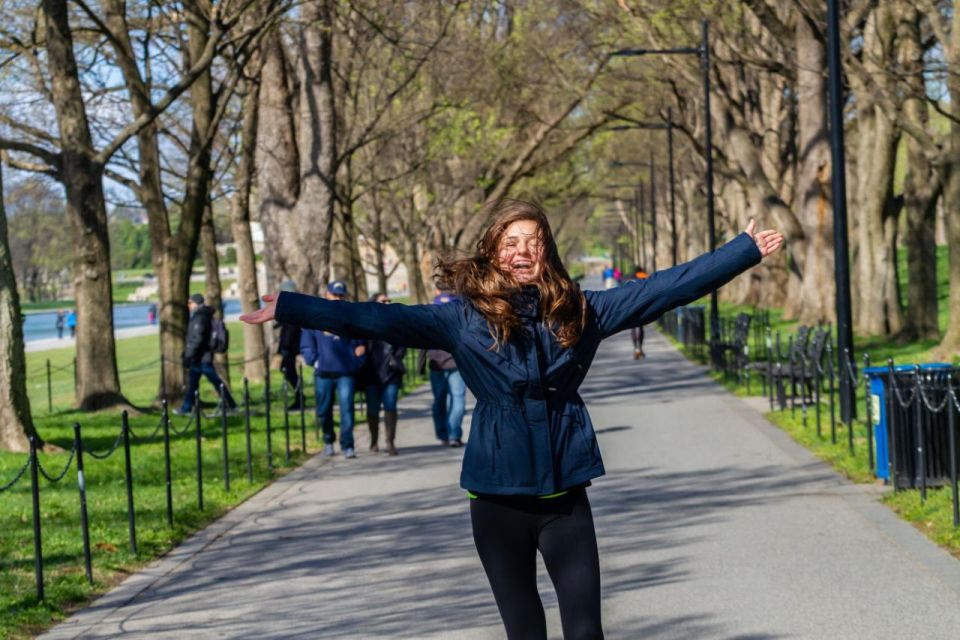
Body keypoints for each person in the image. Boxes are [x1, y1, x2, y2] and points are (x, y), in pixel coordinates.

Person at [240, 199, 783, 639]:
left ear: (546, 251)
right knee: (525, 631)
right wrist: (290, 307)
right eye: (512, 241)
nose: (524, 250)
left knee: (586, 631)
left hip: (565, 496)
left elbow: (663, 289)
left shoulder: (581, 310)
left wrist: (741, 252)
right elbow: (378, 319)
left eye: (534, 241)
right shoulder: (462, 320)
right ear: (494, 252)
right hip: (497, 502)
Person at [299, 281, 367, 459]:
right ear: (326, 294)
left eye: (341, 295)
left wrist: (358, 356)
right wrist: (314, 360)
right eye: (334, 295)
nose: (337, 298)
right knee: (323, 410)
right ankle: (328, 440)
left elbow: (361, 340)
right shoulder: (314, 317)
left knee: (347, 409)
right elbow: (306, 343)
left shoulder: (351, 316)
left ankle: (348, 445)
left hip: (346, 372)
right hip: (323, 373)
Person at [358, 292, 406, 454]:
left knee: (390, 406)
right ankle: (373, 440)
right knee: (372, 409)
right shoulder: (365, 324)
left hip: (391, 372)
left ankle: (390, 442)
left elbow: (403, 345)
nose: (387, 303)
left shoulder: (396, 324)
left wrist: (397, 358)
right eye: (383, 301)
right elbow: (359, 343)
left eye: (389, 301)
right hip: (371, 373)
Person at [418, 290, 466, 447]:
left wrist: (421, 366)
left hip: (439, 363)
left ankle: (444, 434)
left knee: (440, 400)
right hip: (453, 363)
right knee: (456, 400)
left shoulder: (432, 312)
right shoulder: (459, 309)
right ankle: (453, 434)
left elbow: (422, 341)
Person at [178, 293, 237, 415]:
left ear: (196, 303)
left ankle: (230, 404)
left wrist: (188, 355)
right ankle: (186, 407)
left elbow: (197, 338)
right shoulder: (201, 316)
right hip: (199, 357)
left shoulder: (200, 317)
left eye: (190, 303)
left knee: (214, 381)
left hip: (201, 357)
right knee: (193, 383)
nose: (188, 305)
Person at [275, 281, 303, 409]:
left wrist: (284, 348)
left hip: (289, 347)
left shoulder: (293, 309)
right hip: (288, 347)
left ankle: (300, 397)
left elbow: (290, 332)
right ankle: (299, 396)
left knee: (289, 371)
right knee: (287, 371)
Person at [630, 265, 649, 359]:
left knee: (633, 327)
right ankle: (640, 348)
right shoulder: (644, 276)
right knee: (640, 327)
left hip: (631, 305)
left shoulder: (630, 278)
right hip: (642, 304)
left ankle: (635, 349)